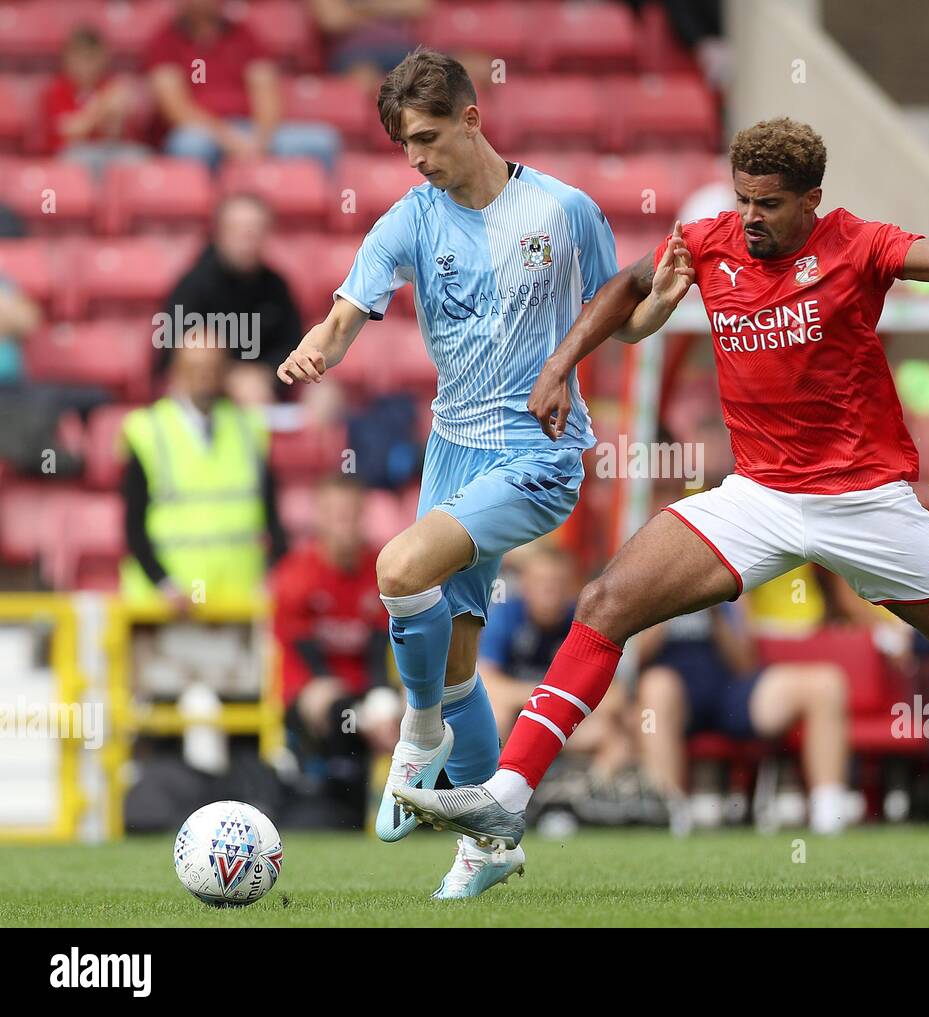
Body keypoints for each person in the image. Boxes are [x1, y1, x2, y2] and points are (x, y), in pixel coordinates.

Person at [394, 117, 929, 883]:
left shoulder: (856, 243)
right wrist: (560, 364)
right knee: (605, 599)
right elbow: (624, 286)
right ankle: (506, 799)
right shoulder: (712, 240)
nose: (749, 216)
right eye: (742, 196)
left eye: (769, 203)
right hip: (759, 495)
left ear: (810, 200)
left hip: (865, 498)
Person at [275, 50, 618, 898]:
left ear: (472, 116)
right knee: (458, 660)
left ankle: (419, 734)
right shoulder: (412, 218)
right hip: (453, 452)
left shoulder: (563, 210)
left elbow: (623, 314)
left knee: (398, 566)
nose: (418, 157)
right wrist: (321, 343)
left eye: (428, 136)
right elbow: (349, 308)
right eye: (403, 144)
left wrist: (667, 292)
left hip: (538, 452)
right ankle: (489, 845)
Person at [637, 601, 849, 836]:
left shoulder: (724, 578)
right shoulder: (645, 576)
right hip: (674, 698)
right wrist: (671, 604)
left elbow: (746, 663)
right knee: (656, 687)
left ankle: (829, 815)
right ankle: (670, 813)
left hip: (730, 691)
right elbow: (634, 659)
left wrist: (715, 614)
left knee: (826, 684)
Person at [271, 474, 400, 828]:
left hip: (364, 687)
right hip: (312, 689)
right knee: (333, 705)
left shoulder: (381, 568)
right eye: (336, 515)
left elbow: (378, 653)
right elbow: (313, 663)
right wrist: (362, 715)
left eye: (352, 514)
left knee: (414, 705)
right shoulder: (296, 574)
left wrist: (380, 702)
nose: (346, 525)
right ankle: (338, 800)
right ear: (320, 519)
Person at [120, 341, 287, 608]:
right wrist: (164, 584)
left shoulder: (249, 428)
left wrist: (270, 577)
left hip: (237, 601)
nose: (204, 377)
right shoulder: (148, 430)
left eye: (212, 368)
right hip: (168, 605)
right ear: (176, 372)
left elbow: (273, 518)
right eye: (195, 368)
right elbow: (133, 525)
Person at [479, 547, 635, 777]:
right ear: (524, 585)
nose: (549, 591)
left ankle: (591, 801)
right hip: (516, 722)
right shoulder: (505, 616)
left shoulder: (588, 623)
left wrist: (546, 703)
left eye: (557, 583)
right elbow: (487, 684)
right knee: (495, 712)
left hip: (563, 726)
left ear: (573, 587)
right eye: (541, 581)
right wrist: (553, 696)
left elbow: (615, 696)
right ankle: (489, 795)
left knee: (615, 736)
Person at [145, 0, 340, 171]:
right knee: (189, 146)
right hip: (202, 132)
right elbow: (176, 108)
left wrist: (260, 140)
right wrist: (228, 138)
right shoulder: (164, 40)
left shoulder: (245, 33)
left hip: (251, 129)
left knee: (322, 141)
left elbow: (266, 91)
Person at [158, 194, 303, 395]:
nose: (246, 240)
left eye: (254, 232)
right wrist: (228, 375)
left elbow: (292, 344)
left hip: (270, 382)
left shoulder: (276, 287)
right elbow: (171, 353)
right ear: (219, 233)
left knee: (324, 392)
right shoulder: (194, 285)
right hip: (208, 393)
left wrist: (267, 372)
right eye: (238, 231)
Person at [40, 25, 149, 174]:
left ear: (103, 58)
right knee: (76, 161)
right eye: (79, 58)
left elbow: (114, 134)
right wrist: (102, 107)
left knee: (139, 158)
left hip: (108, 150)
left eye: (91, 58)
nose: (85, 65)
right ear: (66, 59)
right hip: (73, 154)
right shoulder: (57, 90)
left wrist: (117, 115)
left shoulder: (109, 85)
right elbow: (70, 131)